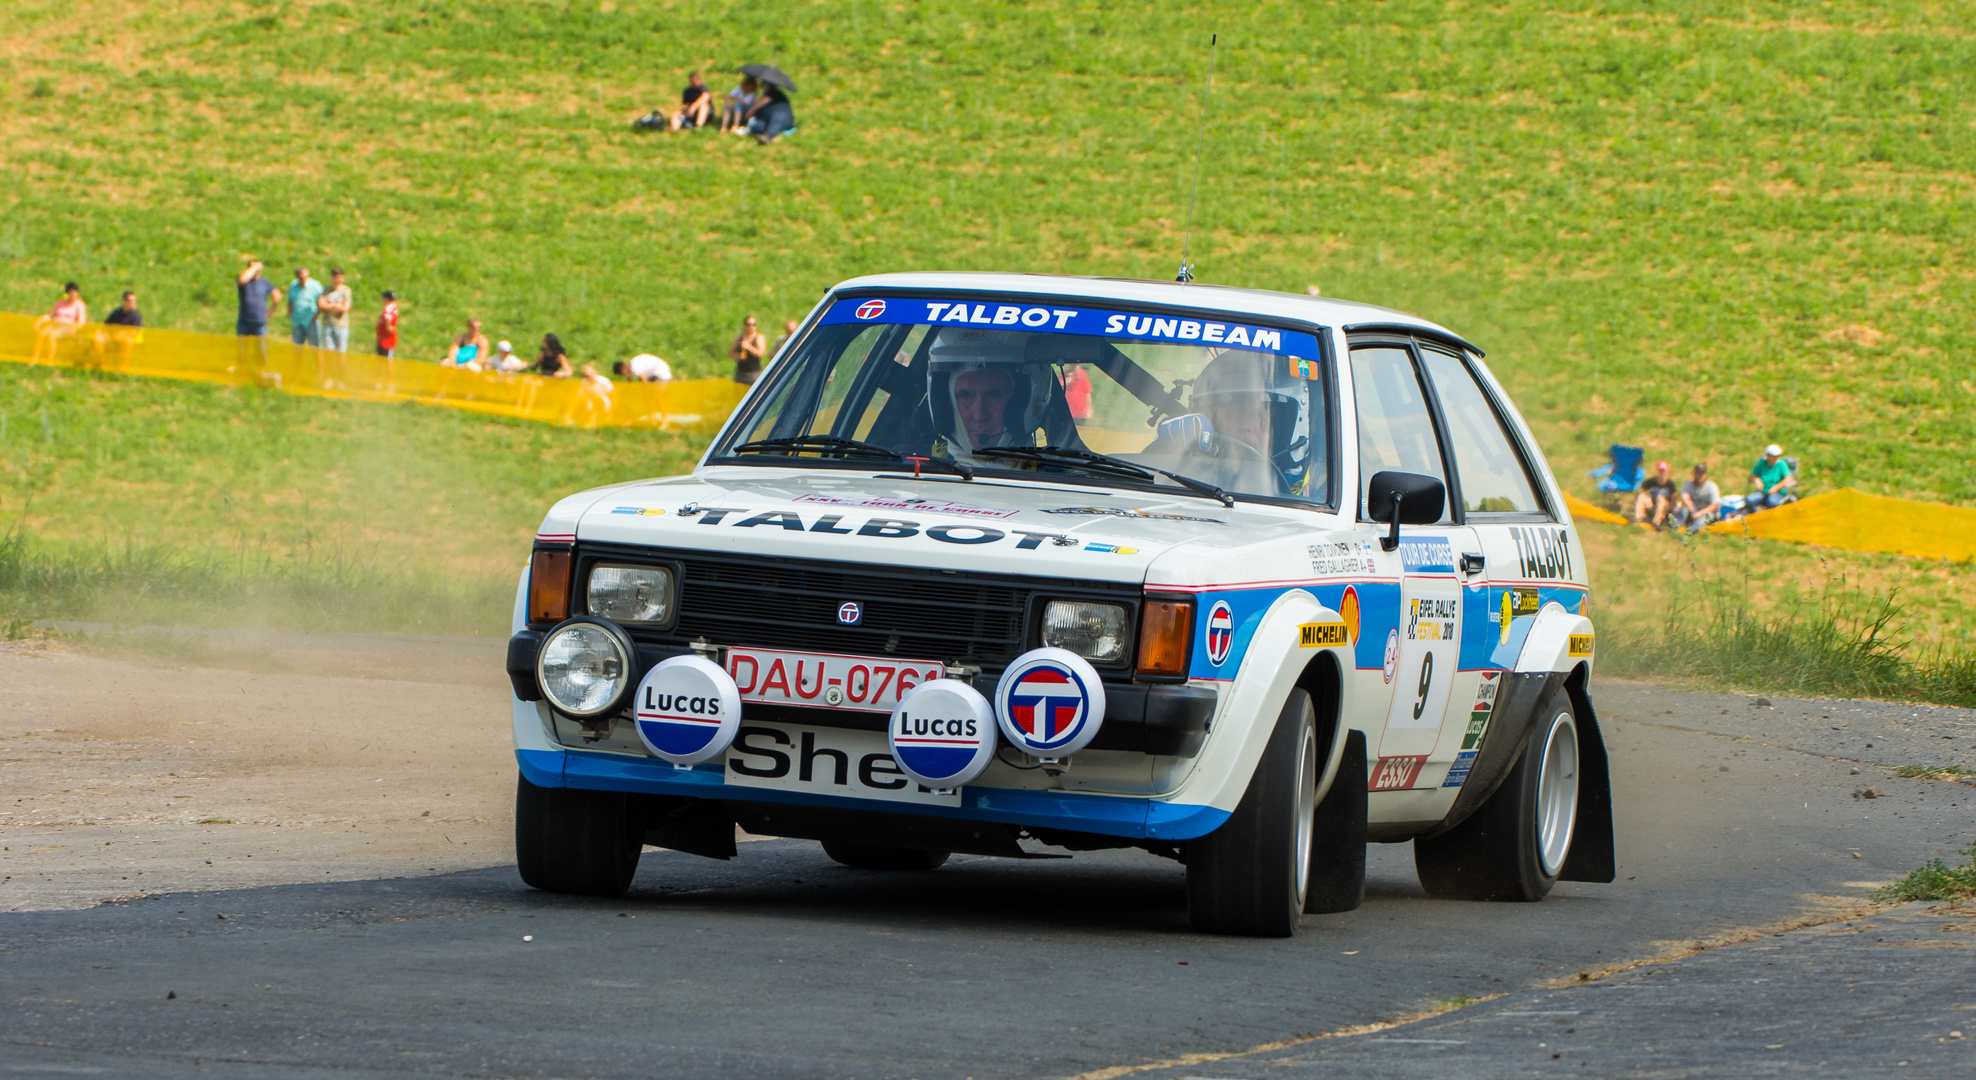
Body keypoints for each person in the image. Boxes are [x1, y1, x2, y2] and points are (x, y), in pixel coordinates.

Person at [32, 282, 89, 363]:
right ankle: (34, 358)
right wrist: (40, 320)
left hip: (68, 327)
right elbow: (51, 315)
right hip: (56, 324)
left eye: (75, 293)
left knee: (51, 335)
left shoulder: (80, 305)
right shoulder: (60, 303)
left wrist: (74, 327)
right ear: (67, 293)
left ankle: (49, 360)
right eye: (71, 293)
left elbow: (81, 321)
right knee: (42, 334)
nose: (73, 295)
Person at [1669, 463, 1722, 534]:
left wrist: (1699, 514)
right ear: (1694, 474)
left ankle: (1691, 530)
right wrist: (1693, 512)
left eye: (1702, 474)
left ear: (1706, 475)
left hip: (1705, 512)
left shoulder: (1712, 487)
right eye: (1698, 474)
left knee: (1706, 517)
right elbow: (1685, 497)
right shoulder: (1687, 485)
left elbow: (1715, 505)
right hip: (1692, 511)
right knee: (1682, 510)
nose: (1699, 476)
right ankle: (1675, 526)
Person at [744, 79, 796, 144]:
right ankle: (773, 137)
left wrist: (752, 110)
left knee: (777, 117)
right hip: (767, 122)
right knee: (756, 126)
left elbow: (766, 99)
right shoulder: (761, 100)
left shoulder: (775, 93)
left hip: (782, 119)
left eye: (764, 85)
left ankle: (769, 136)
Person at [1748, 444, 1797, 511]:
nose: (1776, 458)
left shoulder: (1781, 464)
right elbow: (1751, 476)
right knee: (1749, 500)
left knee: (1772, 502)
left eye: (1777, 456)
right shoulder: (1762, 463)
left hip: (1777, 493)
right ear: (1768, 455)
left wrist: (1776, 488)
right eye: (1774, 456)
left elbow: (1789, 478)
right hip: (1762, 493)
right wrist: (1757, 480)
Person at [1631, 459, 1676, 529]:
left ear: (1667, 472)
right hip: (1653, 504)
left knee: (1660, 498)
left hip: (1664, 506)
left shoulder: (1670, 484)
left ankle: (1656, 522)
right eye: (1660, 471)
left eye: (1663, 471)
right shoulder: (1652, 481)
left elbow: (1674, 498)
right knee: (1642, 496)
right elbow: (1643, 490)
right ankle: (1638, 516)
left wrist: (1670, 509)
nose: (1662, 473)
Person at [286, 267, 324, 347]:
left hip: (310, 320)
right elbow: (290, 301)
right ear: (297, 277)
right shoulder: (293, 286)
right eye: (301, 277)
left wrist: (316, 316)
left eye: (306, 276)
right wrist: (289, 313)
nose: (304, 279)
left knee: (315, 347)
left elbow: (321, 302)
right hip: (297, 321)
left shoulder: (315, 286)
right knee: (297, 347)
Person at [317, 268, 353, 352]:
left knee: (341, 353)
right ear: (332, 277)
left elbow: (345, 308)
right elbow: (321, 305)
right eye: (338, 277)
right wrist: (337, 305)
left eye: (342, 277)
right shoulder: (326, 289)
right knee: (328, 352)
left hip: (341, 325)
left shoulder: (345, 290)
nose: (340, 280)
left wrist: (329, 305)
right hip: (328, 324)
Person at [730, 316, 768, 383]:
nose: (751, 327)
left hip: (754, 373)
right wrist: (738, 356)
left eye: (753, 324)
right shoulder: (739, 338)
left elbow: (761, 353)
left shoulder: (758, 338)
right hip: (741, 372)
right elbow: (731, 353)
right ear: (744, 326)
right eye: (748, 325)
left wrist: (749, 347)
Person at [375, 290, 399, 358]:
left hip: (386, 339)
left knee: (385, 358)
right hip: (383, 338)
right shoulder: (394, 307)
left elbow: (387, 317)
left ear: (387, 299)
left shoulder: (388, 308)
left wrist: (388, 326)